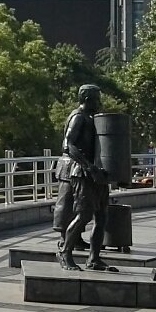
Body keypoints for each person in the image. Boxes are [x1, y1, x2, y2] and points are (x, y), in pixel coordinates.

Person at [54, 85, 112, 272]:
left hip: (97, 174)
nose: (99, 102)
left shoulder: (92, 118)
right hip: (82, 172)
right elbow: (68, 145)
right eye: (96, 98)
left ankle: (94, 259)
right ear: (87, 98)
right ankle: (65, 252)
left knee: (102, 216)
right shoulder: (78, 117)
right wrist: (88, 166)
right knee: (84, 215)